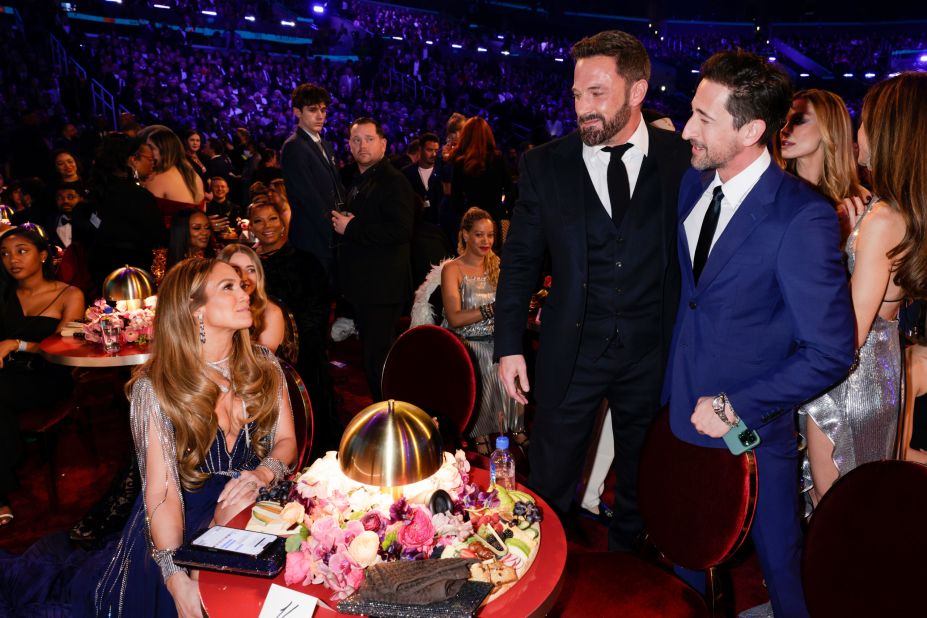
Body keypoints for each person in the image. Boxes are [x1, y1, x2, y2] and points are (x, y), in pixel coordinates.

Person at [664, 50, 855, 617]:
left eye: (704, 118)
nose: (688, 128)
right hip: (679, 416)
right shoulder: (692, 184)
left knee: (781, 571)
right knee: (685, 562)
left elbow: (830, 351)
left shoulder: (803, 216)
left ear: (751, 130)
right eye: (691, 112)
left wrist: (735, 405)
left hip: (751, 433)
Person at [0, 257, 297, 615]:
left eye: (241, 284)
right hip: (181, 519)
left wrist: (263, 473)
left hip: (254, 504)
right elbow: (162, 493)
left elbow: (286, 443)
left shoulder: (264, 364)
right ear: (194, 311)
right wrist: (175, 574)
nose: (243, 292)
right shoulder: (156, 388)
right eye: (228, 287)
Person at [495, 30, 691, 552]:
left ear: (637, 91)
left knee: (640, 484)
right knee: (548, 485)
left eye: (597, 93)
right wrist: (509, 343)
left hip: (652, 355)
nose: (582, 107)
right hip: (570, 352)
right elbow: (518, 262)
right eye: (578, 93)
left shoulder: (682, 160)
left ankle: (631, 580)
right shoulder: (544, 164)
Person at [800, 72, 927, 504]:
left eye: (866, 121)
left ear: (890, 132)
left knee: (837, 515)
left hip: (850, 384)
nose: (859, 132)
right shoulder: (897, 211)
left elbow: (846, 334)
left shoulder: (883, 219)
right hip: (879, 371)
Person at [0, 226, 84, 527]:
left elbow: (69, 345)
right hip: (7, 377)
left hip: (48, 376)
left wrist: (17, 344)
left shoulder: (68, 293)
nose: (13, 259)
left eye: (22, 250)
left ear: (44, 254)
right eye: (5, 254)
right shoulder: (4, 295)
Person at [332, 117, 415, 402]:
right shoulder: (359, 179)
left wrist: (351, 227)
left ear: (383, 144)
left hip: (382, 287)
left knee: (379, 360)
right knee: (374, 357)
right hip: (368, 287)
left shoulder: (393, 181)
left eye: (369, 139)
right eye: (356, 140)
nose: (362, 145)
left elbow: (401, 230)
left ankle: (390, 417)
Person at [251, 200, 336, 455]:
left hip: (303, 354)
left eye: (272, 219)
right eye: (258, 220)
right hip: (259, 356)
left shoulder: (306, 262)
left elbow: (318, 310)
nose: (266, 226)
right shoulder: (249, 266)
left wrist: (291, 347)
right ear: (251, 227)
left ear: (283, 223)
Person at [442, 208, 525, 454]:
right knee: (485, 358)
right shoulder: (452, 269)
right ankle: (480, 438)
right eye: (479, 235)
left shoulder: (497, 265)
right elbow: (455, 318)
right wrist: (492, 309)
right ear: (465, 235)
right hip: (469, 345)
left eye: (490, 235)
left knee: (509, 355)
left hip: (498, 342)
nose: (486, 241)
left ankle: (519, 433)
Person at [777, 89, 868, 241]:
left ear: (829, 126)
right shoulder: (773, 190)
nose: (784, 130)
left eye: (798, 120)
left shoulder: (859, 201)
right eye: (784, 121)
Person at [281, 83, 345, 275]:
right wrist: (334, 230)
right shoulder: (294, 146)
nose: (320, 115)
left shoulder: (325, 144)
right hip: (313, 239)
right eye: (312, 110)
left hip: (332, 235)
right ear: (297, 112)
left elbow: (336, 186)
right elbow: (307, 198)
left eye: (323, 110)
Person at [88, 133, 165, 288]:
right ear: (132, 160)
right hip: (135, 279)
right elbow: (158, 239)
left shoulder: (97, 192)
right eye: (150, 159)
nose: (152, 164)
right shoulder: (140, 197)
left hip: (100, 276)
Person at [449, 117, 513, 250]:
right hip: (498, 219)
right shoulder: (498, 158)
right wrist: (508, 216)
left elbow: (456, 198)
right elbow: (510, 192)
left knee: (474, 263)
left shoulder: (460, 162)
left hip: (472, 221)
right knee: (500, 260)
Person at [218, 243, 285, 353]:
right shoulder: (214, 309)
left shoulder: (270, 312)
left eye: (251, 270)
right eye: (236, 270)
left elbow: (263, 364)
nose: (244, 277)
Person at [138, 125, 205, 228]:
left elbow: (144, 218)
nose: (148, 153)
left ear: (164, 150)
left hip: (169, 241)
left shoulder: (157, 178)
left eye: (151, 148)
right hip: (195, 241)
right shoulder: (194, 175)